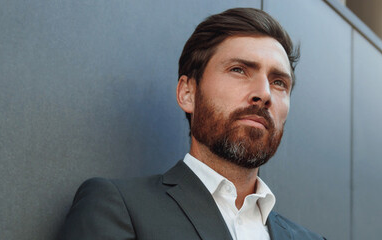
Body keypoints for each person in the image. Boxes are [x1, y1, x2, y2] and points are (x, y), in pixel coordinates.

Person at [58, 8, 325, 240]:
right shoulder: (120, 207)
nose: (264, 93)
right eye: (239, 70)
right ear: (188, 93)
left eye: (279, 82)